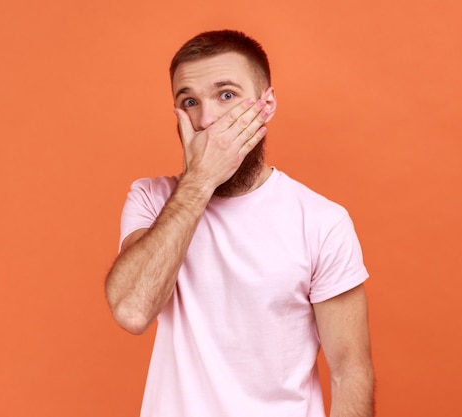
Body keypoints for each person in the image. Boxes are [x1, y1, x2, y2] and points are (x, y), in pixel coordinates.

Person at [105, 29, 374, 417]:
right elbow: (132, 310)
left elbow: (350, 371)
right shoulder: (151, 199)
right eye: (190, 101)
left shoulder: (321, 221)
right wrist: (199, 181)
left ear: (267, 104)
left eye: (226, 95)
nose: (207, 118)